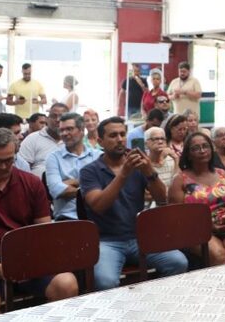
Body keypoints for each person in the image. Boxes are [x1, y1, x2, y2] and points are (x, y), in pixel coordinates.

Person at [0, 128, 78, 318]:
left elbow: (43, 232)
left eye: (9, 160)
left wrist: (29, 259)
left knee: (66, 284)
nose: (5, 167)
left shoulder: (31, 183)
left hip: (27, 258)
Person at [80, 116, 188, 291]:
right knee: (105, 282)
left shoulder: (138, 164)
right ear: (100, 141)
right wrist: (123, 173)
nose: (120, 139)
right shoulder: (89, 171)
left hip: (139, 237)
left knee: (178, 262)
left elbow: (162, 200)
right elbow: (98, 205)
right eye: (113, 135)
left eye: (123, 134)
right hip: (107, 241)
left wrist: (149, 171)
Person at [168, 132, 225, 264]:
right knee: (219, 256)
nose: (202, 151)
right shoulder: (180, 180)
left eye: (206, 146)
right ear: (188, 154)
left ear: (212, 150)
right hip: (195, 229)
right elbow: (176, 217)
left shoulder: (222, 174)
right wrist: (207, 226)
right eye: (196, 148)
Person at [45, 113, 100, 220]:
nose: (64, 133)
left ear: (82, 130)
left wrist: (73, 182)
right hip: (67, 218)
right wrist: (92, 188)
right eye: (61, 130)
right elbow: (56, 190)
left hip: (96, 217)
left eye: (69, 129)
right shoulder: (53, 158)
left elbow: (106, 185)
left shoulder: (97, 155)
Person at [18, 102, 67, 177]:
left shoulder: (74, 141)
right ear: (47, 119)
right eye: (54, 116)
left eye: (62, 116)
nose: (58, 120)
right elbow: (21, 167)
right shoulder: (33, 139)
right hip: (37, 186)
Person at [144, 126, 179, 191]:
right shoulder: (144, 164)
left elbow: (178, 186)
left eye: (162, 139)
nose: (160, 142)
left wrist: (176, 159)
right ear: (146, 144)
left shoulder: (172, 159)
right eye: (156, 139)